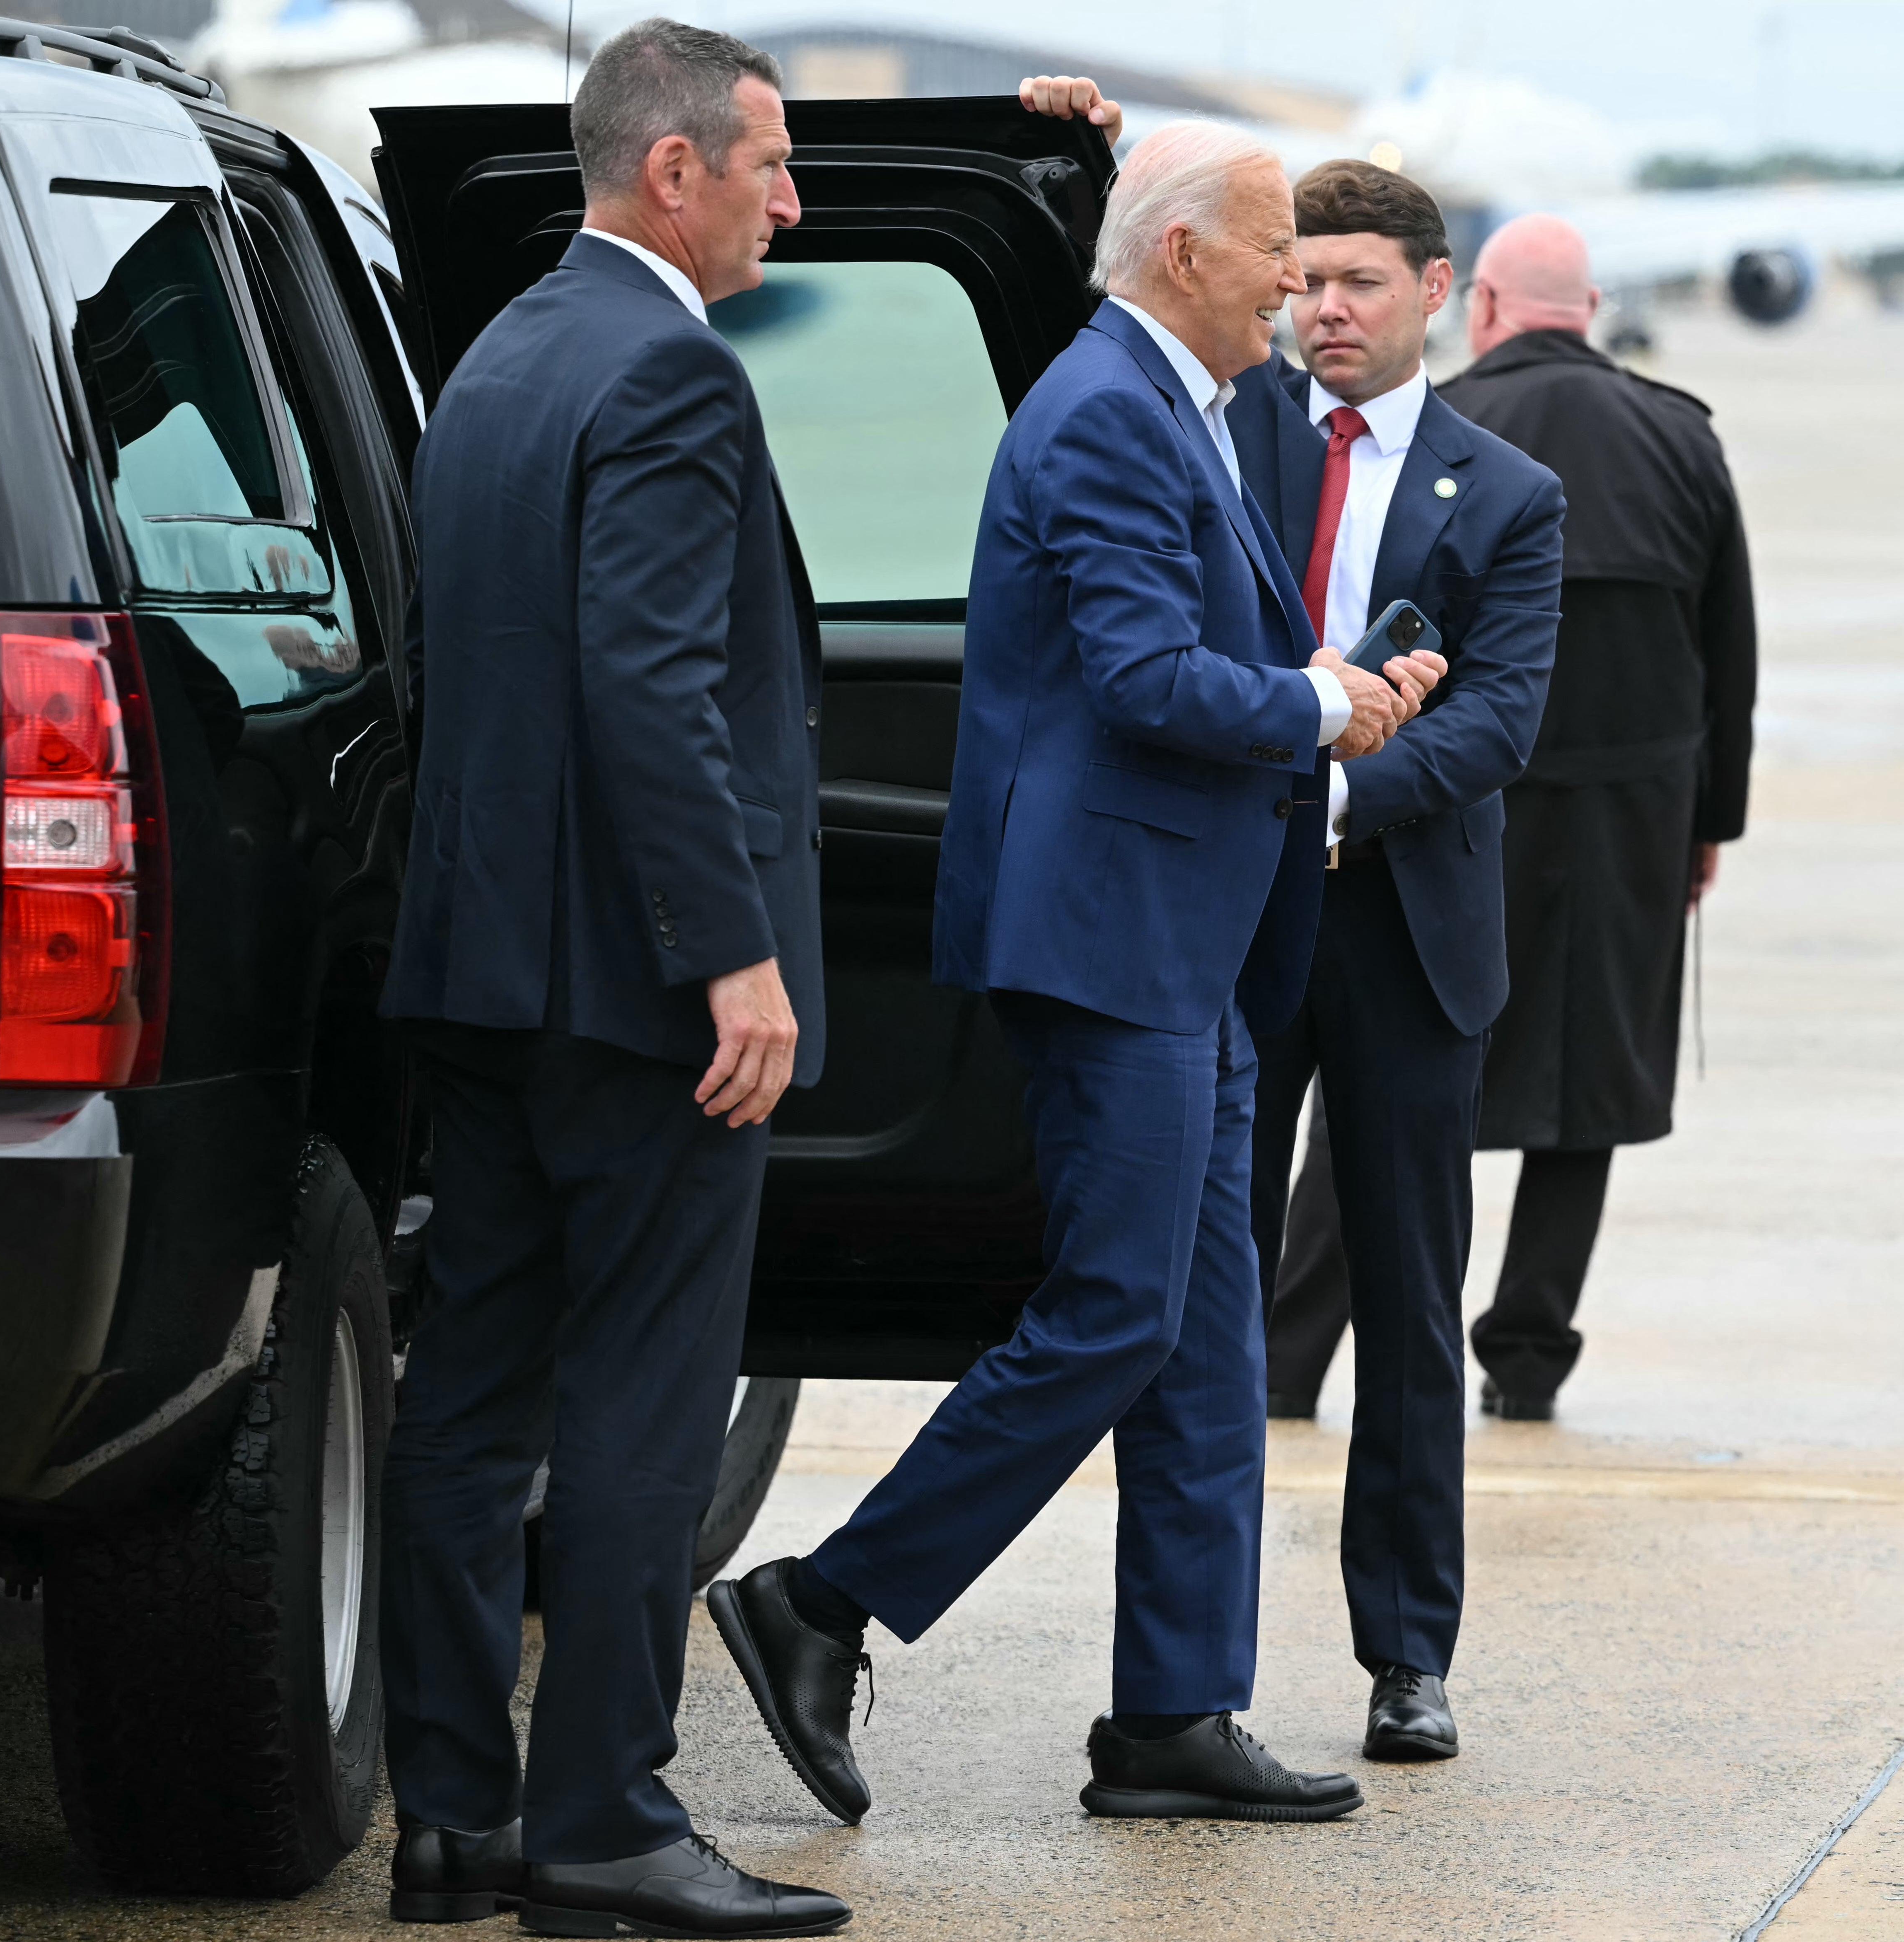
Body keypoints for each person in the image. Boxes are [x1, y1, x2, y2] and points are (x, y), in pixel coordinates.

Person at [707, 116, 1442, 1828]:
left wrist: (1320, 688)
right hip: (1116, 944)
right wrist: (1322, 705)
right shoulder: (1106, 411)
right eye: (1274, 248)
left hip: (1181, 939)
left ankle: (1172, 1711)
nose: (1293, 279)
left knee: (1197, 1337)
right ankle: (819, 1600)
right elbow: (1139, 677)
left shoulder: (1161, 393)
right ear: (1187, 257)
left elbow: (1187, 653)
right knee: (1115, 1309)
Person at [375, 22, 848, 1938]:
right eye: (769, 167)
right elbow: (652, 688)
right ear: (673, 173)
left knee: (470, 1398)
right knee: (649, 1394)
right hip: (638, 992)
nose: (790, 202)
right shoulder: (665, 369)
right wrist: (731, 952)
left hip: (484, 973)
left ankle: (451, 1819)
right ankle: (607, 1819)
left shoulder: (499, 353)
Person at [1218, 159, 1563, 1763]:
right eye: (1305, 279)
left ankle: (1407, 1653)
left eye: (1357, 280)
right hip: (1233, 909)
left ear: (1439, 292)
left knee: (1412, 1303)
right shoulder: (1230, 429)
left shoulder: (1505, 494)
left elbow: (1496, 719)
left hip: (1401, 919)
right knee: (1202, 1279)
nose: (1323, 309)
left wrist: (1335, 786)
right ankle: (1186, 1662)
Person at [1433, 214, 1759, 1423]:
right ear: (1594, 304)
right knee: (1590, 1086)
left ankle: (1297, 1350)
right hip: (1640, 803)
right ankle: (1527, 1356)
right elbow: (1730, 651)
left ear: (1486, 307)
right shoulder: (1684, 434)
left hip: (1465, 799)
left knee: (1411, 1072)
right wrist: (1709, 824)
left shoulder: (1447, 424)